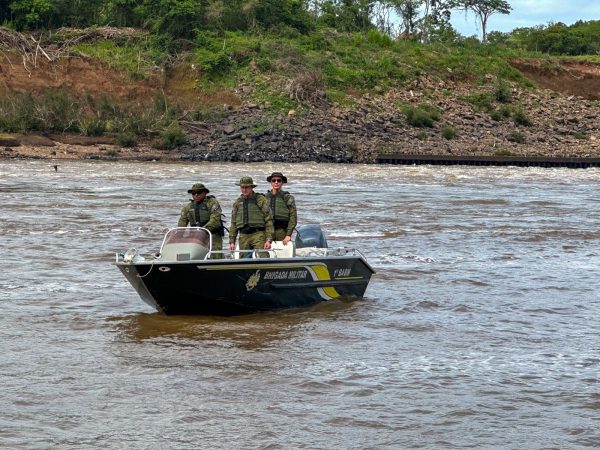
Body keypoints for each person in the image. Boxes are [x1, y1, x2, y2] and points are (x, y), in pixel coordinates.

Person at [229, 176, 274, 257]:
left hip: (258, 234)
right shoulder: (238, 202)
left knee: (262, 256)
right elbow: (233, 223)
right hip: (243, 235)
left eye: (247, 187)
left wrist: (268, 239)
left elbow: (269, 219)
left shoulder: (260, 199)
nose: (244, 190)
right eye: (242, 187)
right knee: (243, 260)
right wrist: (232, 241)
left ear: (251, 187)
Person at [178, 183, 225, 257]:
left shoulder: (212, 203)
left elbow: (215, 220)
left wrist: (202, 231)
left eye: (199, 192)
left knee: (215, 256)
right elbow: (182, 223)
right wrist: (178, 236)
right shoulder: (188, 207)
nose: (196, 195)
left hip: (212, 235)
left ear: (205, 193)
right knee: (193, 256)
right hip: (195, 237)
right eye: (193, 193)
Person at [266, 171, 297, 245]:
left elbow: (293, 217)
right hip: (267, 231)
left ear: (282, 182)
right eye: (274, 180)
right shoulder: (264, 197)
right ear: (271, 182)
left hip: (282, 231)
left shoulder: (288, 197)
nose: (276, 182)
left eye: (279, 180)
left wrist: (288, 235)